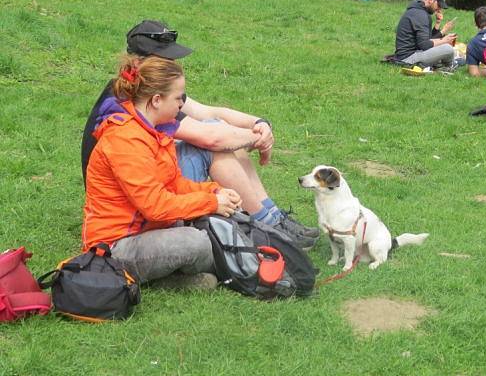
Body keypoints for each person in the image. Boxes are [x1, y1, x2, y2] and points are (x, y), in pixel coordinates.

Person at [81, 20, 319, 249]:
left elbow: (209, 112)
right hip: (128, 202)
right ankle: (267, 228)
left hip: (145, 181)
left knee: (226, 135)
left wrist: (258, 123)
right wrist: (255, 138)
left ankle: (272, 218)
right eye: (166, 59)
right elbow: (211, 137)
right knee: (218, 144)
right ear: (142, 63)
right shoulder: (140, 101)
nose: (172, 65)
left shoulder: (149, 90)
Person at [83, 56, 241, 286]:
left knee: (212, 222)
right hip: (115, 246)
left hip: (148, 230)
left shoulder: (155, 131)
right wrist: (211, 203)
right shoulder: (125, 140)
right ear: (156, 100)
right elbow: (154, 207)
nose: (181, 104)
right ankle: (169, 278)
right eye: (179, 97)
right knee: (195, 242)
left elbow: (175, 184)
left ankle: (181, 276)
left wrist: (214, 191)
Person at [394, 0, 457, 69]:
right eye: (439, 5)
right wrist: (444, 40)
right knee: (448, 49)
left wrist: (438, 23)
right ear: (430, 0)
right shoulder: (421, 15)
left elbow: (427, 40)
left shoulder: (417, 9)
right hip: (408, 58)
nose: (439, 9)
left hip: (407, 54)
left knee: (443, 46)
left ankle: (446, 63)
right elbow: (424, 45)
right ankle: (449, 66)